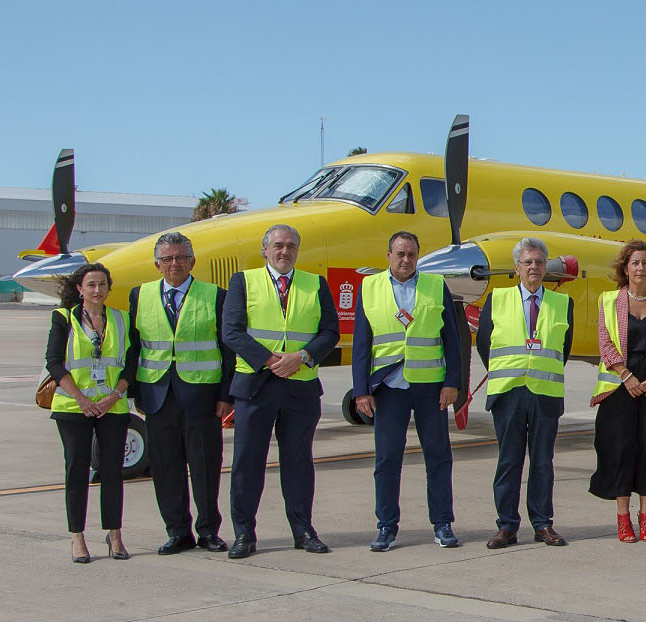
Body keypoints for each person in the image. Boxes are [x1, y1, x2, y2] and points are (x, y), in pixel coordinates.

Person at [221, 224, 339, 559]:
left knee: (298, 462)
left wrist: (301, 357)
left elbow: (330, 331)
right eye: (277, 246)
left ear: (297, 251)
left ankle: (303, 530)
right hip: (256, 386)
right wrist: (271, 360)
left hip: (299, 387)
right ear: (265, 250)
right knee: (247, 463)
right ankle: (244, 533)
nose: (284, 252)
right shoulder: (243, 282)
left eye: (290, 246)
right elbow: (231, 332)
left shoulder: (315, 284)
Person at [352, 231, 464, 552]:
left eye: (411, 255)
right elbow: (362, 343)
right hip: (389, 387)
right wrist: (362, 390)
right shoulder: (369, 287)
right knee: (387, 459)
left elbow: (451, 339)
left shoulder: (435, 285)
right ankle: (386, 526)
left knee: (438, 457)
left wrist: (452, 382)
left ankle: (442, 523)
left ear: (418, 256)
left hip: (430, 387)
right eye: (400, 254)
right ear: (388, 254)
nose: (405, 260)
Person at [127, 231, 233, 555]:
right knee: (165, 467)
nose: (175, 263)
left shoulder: (215, 295)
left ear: (193, 262)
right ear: (157, 264)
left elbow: (227, 349)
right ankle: (177, 532)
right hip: (158, 396)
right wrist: (135, 393)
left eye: (181, 258)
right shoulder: (139, 295)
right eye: (168, 258)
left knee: (205, 466)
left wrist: (226, 396)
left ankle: (208, 531)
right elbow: (134, 347)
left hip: (201, 395)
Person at [478, 237, 575, 549]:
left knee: (543, 462)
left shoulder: (563, 304)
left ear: (545, 268)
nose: (534, 267)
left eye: (539, 262)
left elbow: (565, 347)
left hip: (544, 394)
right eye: (528, 262)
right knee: (509, 461)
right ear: (517, 267)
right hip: (508, 392)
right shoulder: (497, 300)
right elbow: (484, 343)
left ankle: (543, 524)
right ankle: (506, 526)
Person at [588, 241, 646, 543]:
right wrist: (626, 376)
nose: (640, 268)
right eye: (635, 263)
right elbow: (605, 343)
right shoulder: (608, 301)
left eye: (645, 263)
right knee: (622, 450)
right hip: (620, 387)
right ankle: (623, 519)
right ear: (625, 268)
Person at [44, 263, 134, 563]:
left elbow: (131, 364)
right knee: (76, 470)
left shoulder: (121, 319)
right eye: (91, 285)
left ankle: (115, 533)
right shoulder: (63, 319)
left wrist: (114, 395)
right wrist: (81, 399)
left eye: (102, 285)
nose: (97, 290)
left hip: (112, 406)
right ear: (80, 289)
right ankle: (77, 537)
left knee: (112, 471)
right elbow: (54, 362)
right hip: (73, 407)